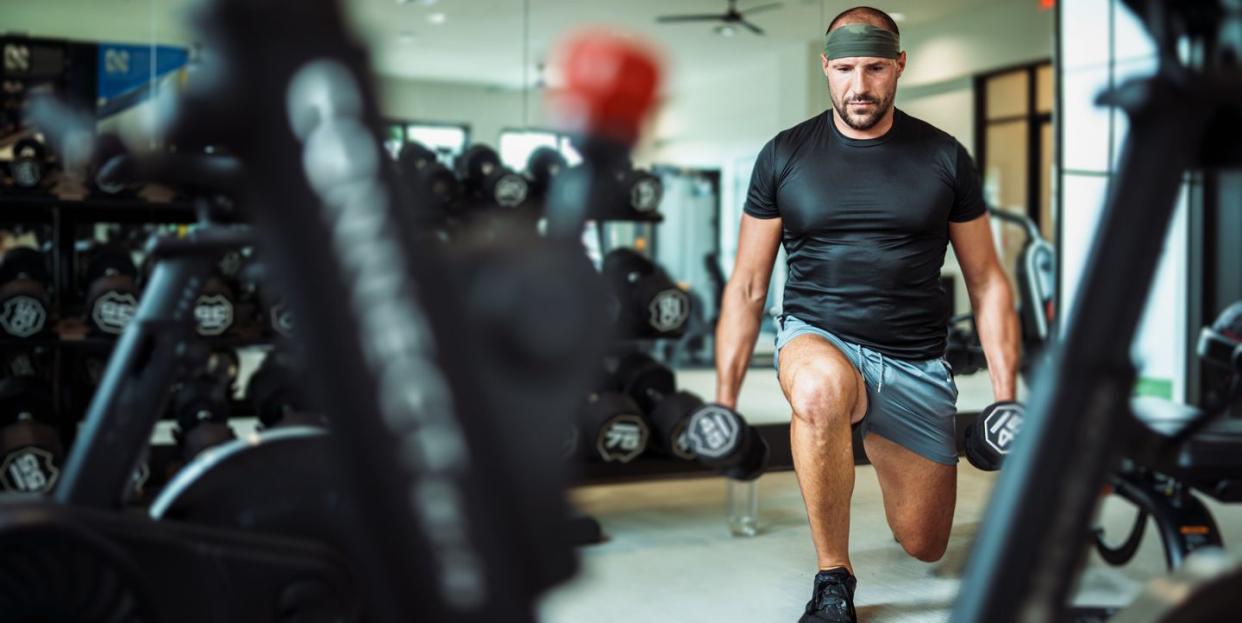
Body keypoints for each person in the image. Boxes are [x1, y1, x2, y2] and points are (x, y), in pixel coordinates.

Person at [712, 6, 1020, 622]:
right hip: (816, 337)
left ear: (899, 65)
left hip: (913, 358)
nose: (860, 85)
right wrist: (723, 403)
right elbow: (748, 285)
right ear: (826, 67)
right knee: (821, 390)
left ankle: (904, 434)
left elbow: (987, 282)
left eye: (875, 67)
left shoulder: (945, 157)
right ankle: (834, 578)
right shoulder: (784, 156)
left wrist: (1005, 398)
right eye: (846, 68)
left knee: (924, 543)